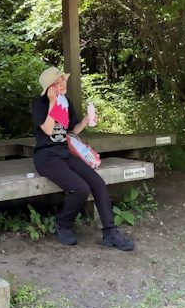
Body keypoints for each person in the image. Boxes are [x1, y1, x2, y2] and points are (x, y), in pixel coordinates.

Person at [31, 66, 135, 251]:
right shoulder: (39, 103)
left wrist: (85, 121)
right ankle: (62, 223)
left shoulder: (66, 103)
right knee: (80, 188)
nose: (63, 83)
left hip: (65, 153)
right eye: (58, 81)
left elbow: (71, 131)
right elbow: (48, 130)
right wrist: (53, 102)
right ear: (49, 87)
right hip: (46, 157)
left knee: (98, 183)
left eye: (63, 79)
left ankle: (110, 232)